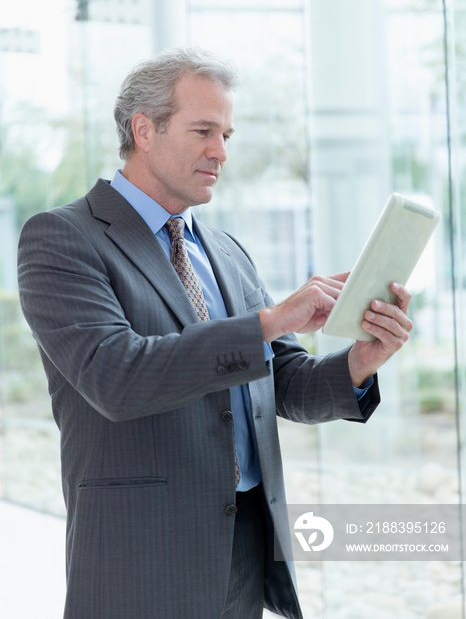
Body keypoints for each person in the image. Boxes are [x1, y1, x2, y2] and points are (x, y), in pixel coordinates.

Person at [17, 47, 412, 619]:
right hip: (144, 557)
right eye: (204, 130)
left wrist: (360, 361)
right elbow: (115, 376)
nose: (220, 152)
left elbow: (281, 380)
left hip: (247, 544)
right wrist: (269, 321)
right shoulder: (64, 238)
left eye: (227, 134)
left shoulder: (224, 249)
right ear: (144, 130)